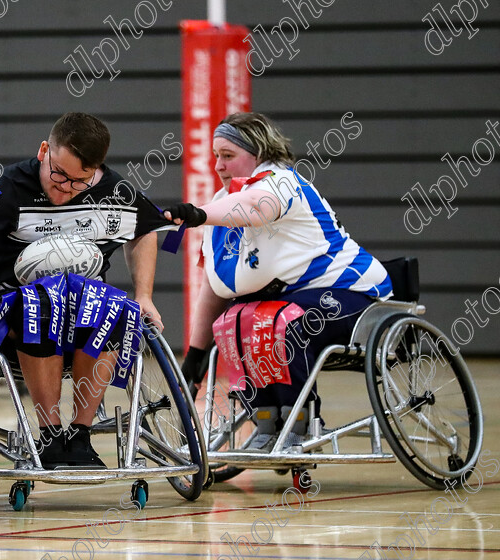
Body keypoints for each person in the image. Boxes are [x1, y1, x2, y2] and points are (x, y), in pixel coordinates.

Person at [0, 112, 174, 468]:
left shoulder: (114, 190)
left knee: (115, 306)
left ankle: (79, 434)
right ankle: (49, 433)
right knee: (44, 300)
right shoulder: (1, 190)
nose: (65, 187)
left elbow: (145, 230)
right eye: (58, 174)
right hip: (6, 308)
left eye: (79, 181)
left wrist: (144, 295)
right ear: (44, 150)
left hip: (81, 315)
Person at [164, 112, 392, 452]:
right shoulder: (221, 206)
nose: (218, 166)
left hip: (355, 295)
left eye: (227, 156)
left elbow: (256, 206)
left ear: (257, 153)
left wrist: (196, 215)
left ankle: (298, 424)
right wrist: (195, 356)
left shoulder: (281, 182)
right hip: (292, 303)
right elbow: (213, 285)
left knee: (281, 321)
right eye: (215, 157)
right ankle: (267, 420)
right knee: (233, 322)